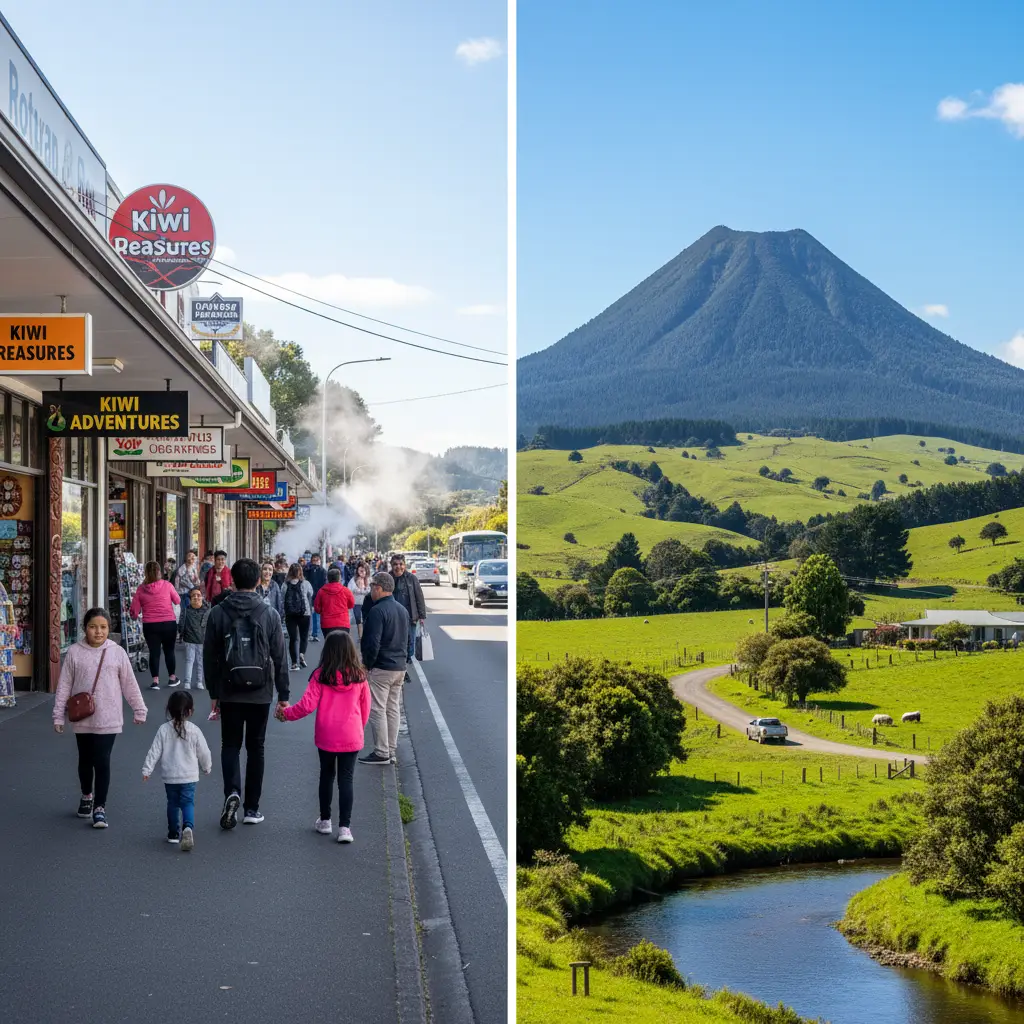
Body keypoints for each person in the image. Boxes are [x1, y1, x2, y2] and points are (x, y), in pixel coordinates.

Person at [204, 557, 289, 829]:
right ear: (257, 581)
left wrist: (213, 692)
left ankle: (232, 792)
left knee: (230, 745)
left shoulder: (218, 613)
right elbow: (280, 656)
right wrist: (283, 694)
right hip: (260, 690)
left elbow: (210, 656)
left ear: (232, 581)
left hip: (229, 689)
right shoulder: (269, 614)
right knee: (256, 747)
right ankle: (252, 808)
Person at [53, 608, 148, 828]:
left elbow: (129, 683)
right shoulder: (75, 653)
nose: (98, 632)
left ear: (109, 629)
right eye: (93, 627)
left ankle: (100, 807)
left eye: (103, 627)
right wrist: (58, 715)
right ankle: (87, 795)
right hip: (82, 717)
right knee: (85, 759)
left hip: (109, 717)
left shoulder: (117, 652)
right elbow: (64, 685)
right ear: (84, 628)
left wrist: (139, 708)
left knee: (102, 760)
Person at [277, 631, 370, 843]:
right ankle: (345, 828)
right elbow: (366, 707)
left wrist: (286, 714)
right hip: (351, 733)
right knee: (346, 779)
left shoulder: (321, 675)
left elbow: (307, 705)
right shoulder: (359, 676)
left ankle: (325, 820)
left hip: (327, 734)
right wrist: (358, 728)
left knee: (327, 775)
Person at [142, 690, 213, 850]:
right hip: (189, 776)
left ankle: (173, 833)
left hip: (170, 776)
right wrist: (206, 767)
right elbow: (204, 752)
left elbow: (154, 751)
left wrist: (147, 770)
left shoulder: (163, 730)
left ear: (169, 709)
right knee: (188, 802)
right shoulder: (194, 730)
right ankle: (188, 827)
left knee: (172, 804)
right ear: (190, 711)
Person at [358, 572, 410, 766]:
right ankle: (391, 749)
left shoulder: (377, 612)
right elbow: (408, 640)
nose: (370, 590)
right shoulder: (402, 610)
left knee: (377, 709)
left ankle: (381, 751)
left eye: (372, 587)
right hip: (399, 666)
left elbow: (372, 643)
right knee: (392, 708)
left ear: (378, 588)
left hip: (382, 667)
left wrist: (366, 665)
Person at [130, 560, 182, 690]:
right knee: (169, 651)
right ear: (159, 572)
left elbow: (134, 612)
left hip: (150, 625)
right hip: (168, 623)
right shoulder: (167, 585)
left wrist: (135, 615)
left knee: (154, 652)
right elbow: (177, 600)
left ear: (146, 573)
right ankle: (172, 678)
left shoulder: (141, 589)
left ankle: (155, 681)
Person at [390, 554, 427, 670]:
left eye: (401, 564)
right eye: (395, 564)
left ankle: (404, 666)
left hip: (410, 617)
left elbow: (419, 597)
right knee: (395, 644)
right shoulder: (388, 578)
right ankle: (401, 669)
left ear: (404, 565)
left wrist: (421, 616)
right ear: (391, 565)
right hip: (392, 618)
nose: (398, 567)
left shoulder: (412, 578)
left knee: (409, 644)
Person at [283, 563, 314, 670]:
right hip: (305, 613)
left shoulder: (285, 584)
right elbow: (311, 594)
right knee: (304, 636)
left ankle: (294, 663)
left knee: (293, 638)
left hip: (290, 614)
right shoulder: (306, 583)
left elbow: (283, 597)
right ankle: (301, 654)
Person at [180, 587, 210, 690]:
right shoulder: (187, 610)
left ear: (202, 597)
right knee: (190, 660)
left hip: (201, 640)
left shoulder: (207, 611)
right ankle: (189, 681)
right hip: (190, 639)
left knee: (199, 661)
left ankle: (198, 681)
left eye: (198, 595)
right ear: (190, 598)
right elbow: (181, 624)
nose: (196, 597)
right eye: (193, 596)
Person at [314, 566, 356, 637]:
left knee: (329, 645)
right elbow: (351, 604)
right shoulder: (346, 591)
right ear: (339, 578)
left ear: (328, 578)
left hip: (327, 624)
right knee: (343, 646)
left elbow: (317, 608)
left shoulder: (321, 591)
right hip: (343, 623)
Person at [305, 553, 328, 641]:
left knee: (316, 615)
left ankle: (315, 633)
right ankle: (310, 632)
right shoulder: (308, 570)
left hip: (318, 595)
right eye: (313, 560)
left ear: (320, 561)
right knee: (307, 614)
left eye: (317, 560)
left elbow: (324, 583)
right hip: (309, 595)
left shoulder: (323, 571)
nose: (315, 562)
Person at [348, 561, 372, 640]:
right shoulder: (353, 580)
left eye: (363, 570)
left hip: (367, 602)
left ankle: (366, 636)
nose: (362, 572)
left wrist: (359, 590)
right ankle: (361, 637)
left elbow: (370, 590)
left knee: (367, 620)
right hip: (357, 603)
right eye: (360, 570)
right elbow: (350, 590)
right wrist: (362, 591)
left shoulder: (369, 579)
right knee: (359, 621)